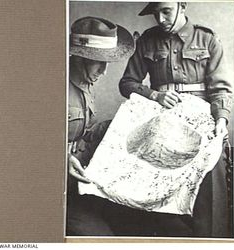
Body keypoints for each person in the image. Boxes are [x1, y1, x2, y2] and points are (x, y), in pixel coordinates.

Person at [119, 2, 233, 237]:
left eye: (166, 11)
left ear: (182, 5)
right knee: (147, 175)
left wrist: (221, 120)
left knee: (212, 174)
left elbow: (220, 89)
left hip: (202, 120)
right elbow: (127, 83)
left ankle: (211, 239)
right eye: (156, 13)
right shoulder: (147, 41)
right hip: (162, 120)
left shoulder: (207, 39)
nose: (160, 18)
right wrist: (154, 95)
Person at [66, 16, 135, 236]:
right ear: (78, 58)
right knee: (103, 237)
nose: (104, 71)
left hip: (81, 176)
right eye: (99, 62)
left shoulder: (85, 82)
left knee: (131, 218)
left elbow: (81, 131)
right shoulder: (54, 85)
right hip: (56, 190)